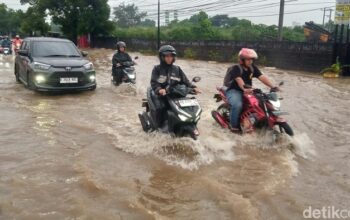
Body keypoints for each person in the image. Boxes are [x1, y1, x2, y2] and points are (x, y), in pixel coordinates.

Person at [223, 48, 280, 132]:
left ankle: (255, 122)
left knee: (260, 103)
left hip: (248, 91)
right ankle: (234, 127)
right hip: (234, 91)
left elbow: (262, 77)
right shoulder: (236, 68)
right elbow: (239, 79)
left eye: (252, 59)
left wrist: (273, 86)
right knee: (237, 105)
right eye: (248, 59)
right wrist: (244, 88)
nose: (251, 61)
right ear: (242, 60)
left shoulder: (252, 68)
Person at [150, 45, 201, 128]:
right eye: (166, 56)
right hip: (162, 94)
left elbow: (185, 81)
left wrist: (193, 87)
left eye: (171, 56)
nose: (169, 58)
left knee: (189, 107)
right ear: (161, 57)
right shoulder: (157, 69)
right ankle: (157, 127)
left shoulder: (177, 69)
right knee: (160, 108)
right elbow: (154, 82)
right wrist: (159, 89)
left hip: (175, 93)